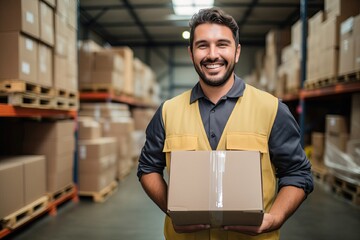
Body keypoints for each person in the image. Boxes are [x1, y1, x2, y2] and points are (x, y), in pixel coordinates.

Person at [137, 7, 313, 240]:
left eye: (222, 44)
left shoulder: (271, 109)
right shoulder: (168, 112)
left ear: (237, 52)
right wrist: (171, 209)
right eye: (202, 45)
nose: (212, 54)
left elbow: (297, 173)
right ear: (191, 53)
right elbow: (148, 168)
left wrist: (275, 218)